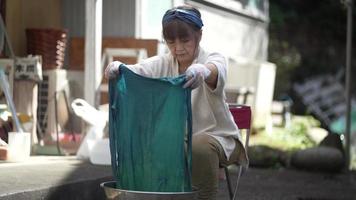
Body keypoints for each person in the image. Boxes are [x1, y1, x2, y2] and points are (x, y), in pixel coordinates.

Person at [105, 5, 248, 200]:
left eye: (185, 40)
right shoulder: (163, 62)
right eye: (171, 41)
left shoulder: (211, 58)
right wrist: (119, 68)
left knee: (199, 147)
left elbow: (217, 69)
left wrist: (203, 71)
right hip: (176, 142)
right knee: (150, 146)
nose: (178, 48)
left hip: (218, 139)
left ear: (200, 35)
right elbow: (138, 71)